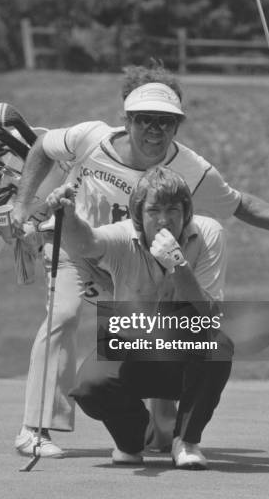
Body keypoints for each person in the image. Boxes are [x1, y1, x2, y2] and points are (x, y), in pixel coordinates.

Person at [12, 63, 269, 457]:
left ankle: (159, 427)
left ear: (176, 126)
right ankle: (36, 428)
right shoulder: (89, 138)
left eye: (166, 122)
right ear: (127, 120)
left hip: (139, 262)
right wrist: (23, 204)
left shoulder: (191, 168)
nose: (155, 130)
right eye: (145, 120)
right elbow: (43, 148)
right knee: (63, 314)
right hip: (78, 246)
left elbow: (238, 204)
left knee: (161, 337)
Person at [52, 166, 232, 469]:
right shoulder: (122, 235)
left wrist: (178, 263)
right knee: (89, 388)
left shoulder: (210, 233)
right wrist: (68, 217)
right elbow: (86, 243)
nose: (164, 219)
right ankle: (131, 440)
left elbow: (209, 312)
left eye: (174, 209)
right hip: (132, 347)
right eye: (154, 210)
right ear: (138, 213)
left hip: (184, 358)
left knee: (218, 344)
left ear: (186, 211)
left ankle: (186, 441)